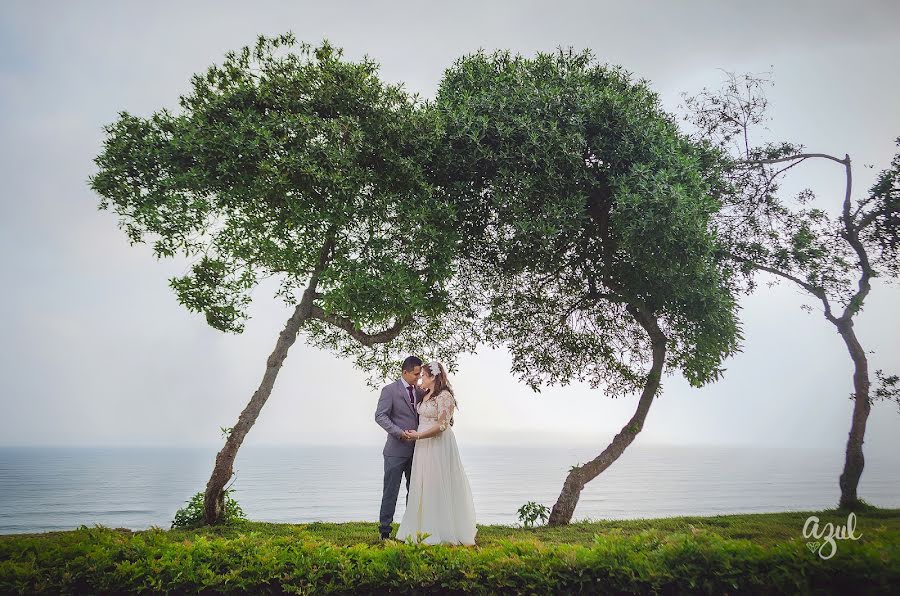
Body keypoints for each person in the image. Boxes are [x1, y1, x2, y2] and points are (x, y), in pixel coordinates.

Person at [395, 360, 477, 545]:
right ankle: (421, 528)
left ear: (433, 377)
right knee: (423, 484)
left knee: (436, 484)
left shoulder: (445, 396)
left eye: (423, 375)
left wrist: (418, 436)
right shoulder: (426, 394)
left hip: (437, 444)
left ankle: (442, 529)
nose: (421, 378)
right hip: (423, 446)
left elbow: (442, 425)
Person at [374, 356, 426, 540]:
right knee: (391, 491)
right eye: (415, 374)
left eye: (420, 375)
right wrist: (399, 432)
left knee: (414, 493)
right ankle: (385, 531)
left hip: (417, 451)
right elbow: (380, 416)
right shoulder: (389, 390)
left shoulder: (420, 391)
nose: (418, 378)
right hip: (395, 451)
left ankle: (408, 529)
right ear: (405, 372)